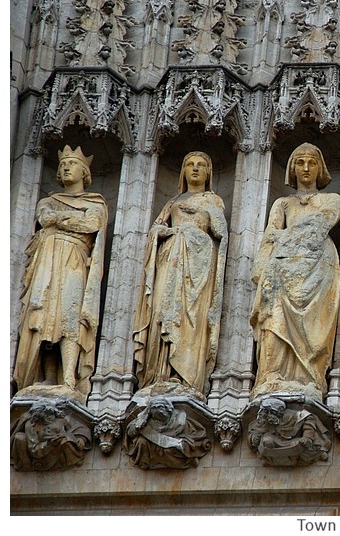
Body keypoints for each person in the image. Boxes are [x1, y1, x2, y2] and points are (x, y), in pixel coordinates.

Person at [250, 143, 340, 399]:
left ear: (319, 168)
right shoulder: (282, 204)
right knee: (274, 320)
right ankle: (272, 374)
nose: (305, 168)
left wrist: (283, 237)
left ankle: (309, 377)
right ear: (291, 168)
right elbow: (270, 236)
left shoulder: (331, 199)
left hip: (316, 270)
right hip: (280, 271)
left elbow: (320, 225)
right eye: (299, 162)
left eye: (311, 163)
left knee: (312, 327)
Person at [14, 145, 108, 400]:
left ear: (85, 172)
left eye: (72, 163)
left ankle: (69, 379)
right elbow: (44, 218)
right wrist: (68, 221)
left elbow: (92, 223)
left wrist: (60, 220)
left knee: (70, 316)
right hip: (47, 264)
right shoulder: (48, 200)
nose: (66, 167)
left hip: (74, 262)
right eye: (62, 163)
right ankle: (47, 377)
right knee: (43, 319)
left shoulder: (95, 202)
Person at [133, 151, 228, 397]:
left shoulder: (213, 200)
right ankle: (159, 374)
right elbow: (158, 226)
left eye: (201, 165)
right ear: (183, 171)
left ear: (209, 173)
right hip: (170, 260)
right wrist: (162, 233)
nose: (195, 169)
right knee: (162, 313)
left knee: (190, 318)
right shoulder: (172, 202)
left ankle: (185, 378)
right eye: (190, 164)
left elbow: (219, 232)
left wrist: (196, 223)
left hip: (196, 265)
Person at [124, 396, 211, 469]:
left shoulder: (180, 420)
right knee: (141, 442)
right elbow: (130, 431)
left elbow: (196, 434)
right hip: (151, 447)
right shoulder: (145, 420)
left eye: (161, 407)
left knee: (174, 448)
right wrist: (138, 426)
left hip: (174, 446)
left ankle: (187, 460)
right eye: (154, 408)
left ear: (169, 409)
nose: (158, 410)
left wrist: (181, 444)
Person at [247, 397, 331, 466]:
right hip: (275, 442)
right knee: (267, 441)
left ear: (276, 412)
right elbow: (254, 429)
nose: (264, 414)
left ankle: (317, 452)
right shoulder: (263, 419)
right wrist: (253, 438)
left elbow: (307, 417)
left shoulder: (291, 415)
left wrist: (307, 436)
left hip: (293, 442)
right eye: (264, 411)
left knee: (304, 445)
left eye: (267, 412)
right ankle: (279, 460)